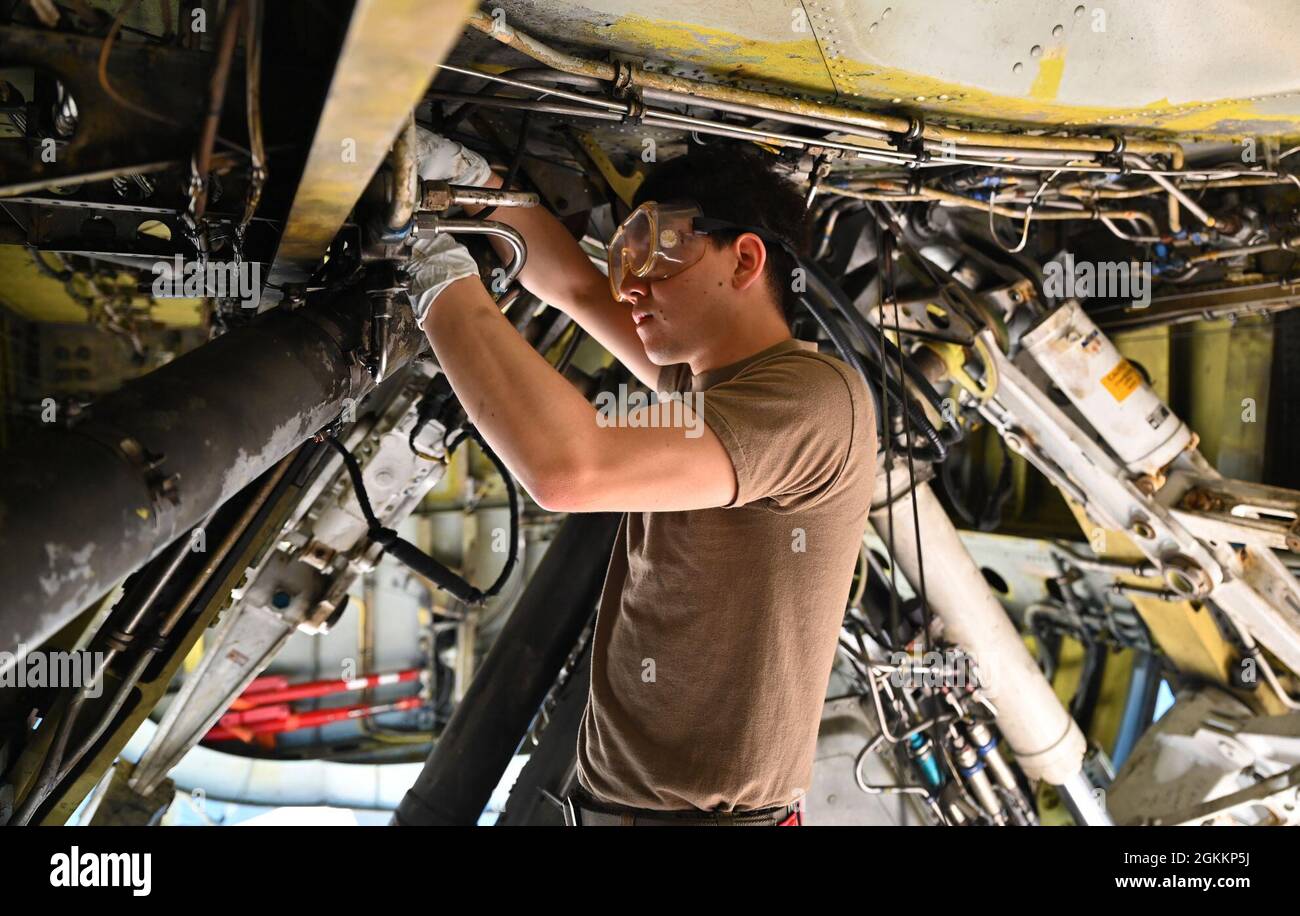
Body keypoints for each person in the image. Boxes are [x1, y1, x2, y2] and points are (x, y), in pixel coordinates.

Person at [408, 128, 877, 825]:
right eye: (625, 255)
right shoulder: (705, 384)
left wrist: (427, 268)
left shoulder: (809, 399)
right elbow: (573, 284)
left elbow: (570, 470)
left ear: (744, 258)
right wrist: (472, 184)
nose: (628, 285)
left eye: (655, 253)